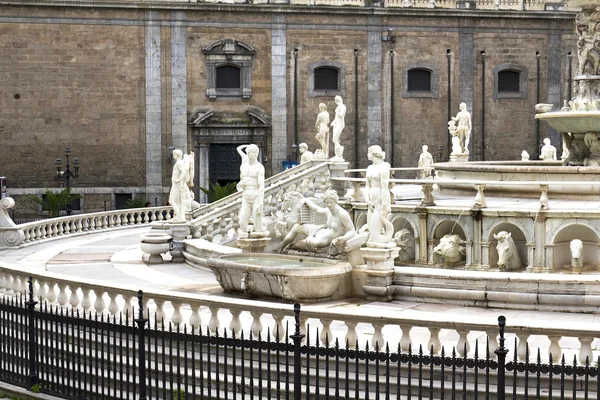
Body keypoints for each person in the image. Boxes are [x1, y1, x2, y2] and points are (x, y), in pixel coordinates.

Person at [277, 189, 355, 253]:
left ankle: (291, 246)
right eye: (327, 202)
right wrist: (306, 200)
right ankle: (280, 247)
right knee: (296, 227)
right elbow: (317, 209)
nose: (329, 205)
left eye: (331, 202)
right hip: (320, 231)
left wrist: (343, 238)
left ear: (335, 201)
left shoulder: (342, 214)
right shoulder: (328, 210)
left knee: (308, 243)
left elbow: (352, 230)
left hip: (324, 240)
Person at [365, 145, 394, 244]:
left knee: (374, 235)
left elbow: (385, 188)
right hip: (370, 202)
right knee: (371, 234)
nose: (367, 154)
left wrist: (385, 205)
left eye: (368, 152)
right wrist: (366, 199)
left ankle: (386, 240)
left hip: (379, 202)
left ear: (374, 153)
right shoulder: (369, 168)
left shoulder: (383, 168)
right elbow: (367, 186)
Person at [237, 144, 265, 237]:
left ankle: (257, 247)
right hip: (246, 196)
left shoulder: (259, 167)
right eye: (252, 152)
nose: (255, 154)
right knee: (242, 222)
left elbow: (261, 185)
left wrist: (260, 202)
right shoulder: (243, 167)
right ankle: (244, 246)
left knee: (258, 226)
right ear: (248, 153)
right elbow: (240, 183)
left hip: (256, 196)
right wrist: (240, 185)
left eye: (256, 152)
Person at [168, 149, 192, 222]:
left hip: (177, 184)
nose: (173, 156)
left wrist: (179, 180)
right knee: (177, 201)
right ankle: (179, 216)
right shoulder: (179, 162)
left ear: (177, 155)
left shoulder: (179, 163)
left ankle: (179, 216)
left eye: (174, 154)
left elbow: (183, 172)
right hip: (176, 184)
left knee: (171, 200)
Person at [330, 96, 346, 160]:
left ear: (337, 100)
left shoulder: (342, 106)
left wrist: (337, 111)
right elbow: (337, 117)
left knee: (335, 139)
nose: (335, 101)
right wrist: (333, 122)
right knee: (335, 139)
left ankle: (339, 153)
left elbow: (341, 114)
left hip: (340, 124)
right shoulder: (338, 107)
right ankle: (337, 155)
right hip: (336, 123)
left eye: (335, 100)